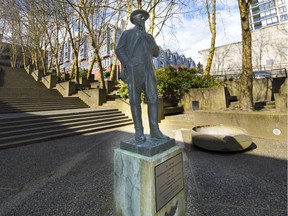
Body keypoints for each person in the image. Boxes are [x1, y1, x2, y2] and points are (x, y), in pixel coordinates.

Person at [116, 9, 169, 143]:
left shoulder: (149, 36)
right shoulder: (127, 34)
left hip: (149, 70)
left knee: (153, 99)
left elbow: (156, 53)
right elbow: (119, 50)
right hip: (135, 69)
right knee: (135, 100)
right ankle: (139, 131)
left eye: (145, 18)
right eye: (141, 17)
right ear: (134, 19)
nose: (143, 19)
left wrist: (152, 43)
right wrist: (128, 63)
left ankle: (155, 130)